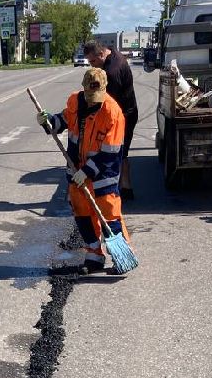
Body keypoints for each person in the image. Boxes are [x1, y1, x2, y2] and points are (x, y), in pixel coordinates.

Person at [37, 67, 131, 276]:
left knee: (109, 216)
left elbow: (110, 153)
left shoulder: (112, 113)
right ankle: (94, 255)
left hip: (102, 175)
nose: (91, 101)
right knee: (82, 215)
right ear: (84, 89)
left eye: (95, 97)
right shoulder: (75, 102)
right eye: (89, 95)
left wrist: (87, 171)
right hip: (76, 171)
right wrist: (49, 121)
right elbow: (61, 122)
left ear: (104, 90)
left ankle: (120, 256)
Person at [83, 39, 138, 200]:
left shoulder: (111, 72)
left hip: (122, 116)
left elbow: (106, 103)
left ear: (101, 54)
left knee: (114, 152)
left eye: (93, 61)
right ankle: (126, 186)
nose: (92, 65)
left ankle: (113, 191)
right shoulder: (112, 53)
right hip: (127, 112)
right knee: (122, 152)